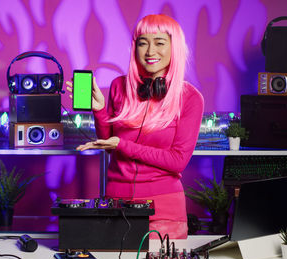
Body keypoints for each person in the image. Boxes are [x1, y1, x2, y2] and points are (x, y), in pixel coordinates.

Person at [67, 14, 204, 239]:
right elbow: (110, 145)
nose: (150, 51)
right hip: (116, 202)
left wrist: (124, 145)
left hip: (164, 209)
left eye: (159, 42)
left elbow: (178, 160)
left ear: (174, 47)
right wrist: (99, 111)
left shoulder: (190, 97)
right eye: (143, 42)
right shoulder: (119, 86)